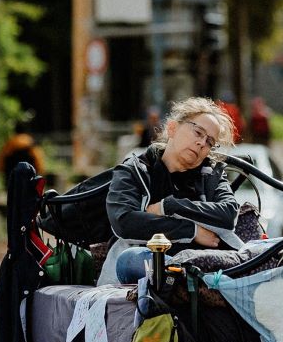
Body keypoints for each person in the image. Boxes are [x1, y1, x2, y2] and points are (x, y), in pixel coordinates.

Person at [100, 96, 242, 286]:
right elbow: (125, 222)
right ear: (173, 128)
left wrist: (169, 206)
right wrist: (192, 230)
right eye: (198, 133)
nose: (202, 143)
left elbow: (228, 214)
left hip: (200, 266)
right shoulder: (134, 170)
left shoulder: (211, 175)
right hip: (146, 265)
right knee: (132, 259)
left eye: (209, 142)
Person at [0, 117, 46, 188]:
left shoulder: (11, 142)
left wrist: (0, 170)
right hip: (29, 176)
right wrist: (40, 171)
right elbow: (37, 158)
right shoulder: (30, 141)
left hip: (12, 176)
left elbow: (3, 157)